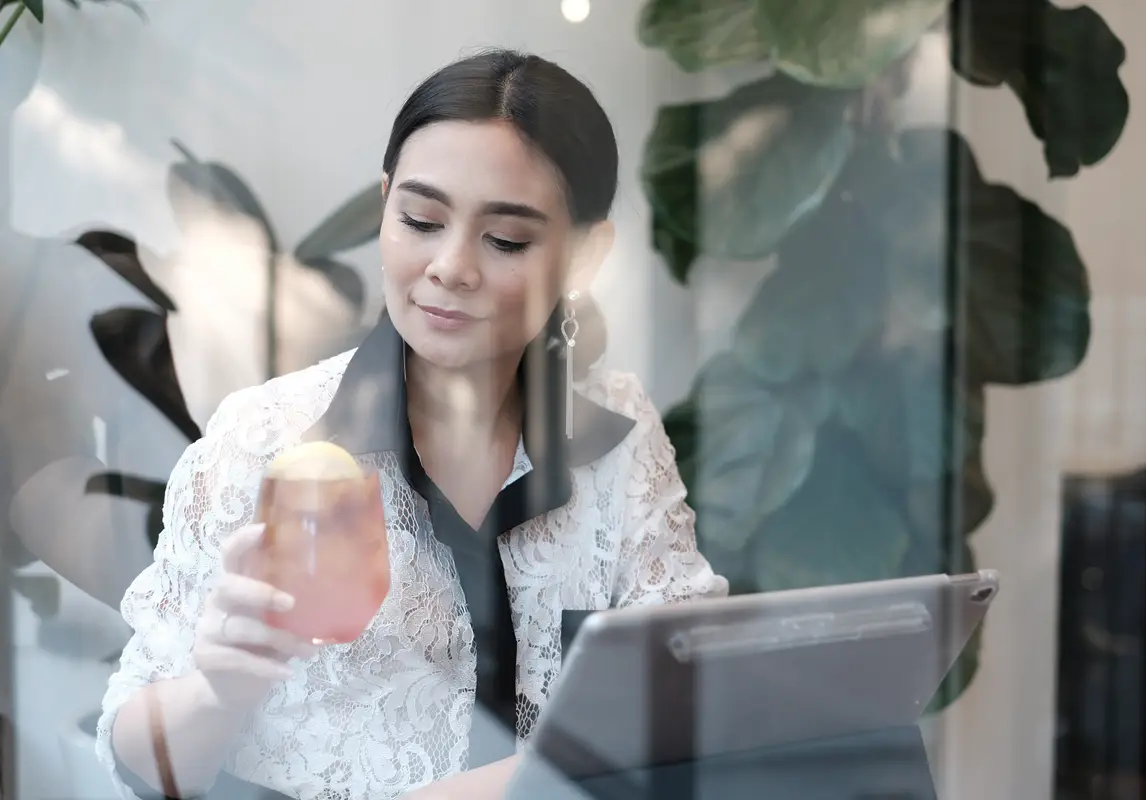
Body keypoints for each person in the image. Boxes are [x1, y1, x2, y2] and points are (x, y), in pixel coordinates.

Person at [96, 49, 728, 800]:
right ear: (386, 200)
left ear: (585, 254)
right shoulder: (264, 439)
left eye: (506, 240)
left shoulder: (616, 433)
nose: (450, 267)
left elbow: (692, 687)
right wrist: (216, 687)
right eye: (421, 220)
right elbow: (136, 763)